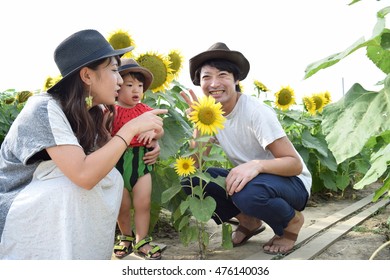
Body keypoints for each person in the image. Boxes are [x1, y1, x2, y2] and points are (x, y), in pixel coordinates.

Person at [0, 29, 166, 260]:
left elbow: (106, 157)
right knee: (73, 188)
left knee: (111, 178)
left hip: (52, 209)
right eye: (114, 70)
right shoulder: (44, 108)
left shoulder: (93, 111)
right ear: (87, 76)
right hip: (18, 206)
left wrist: (151, 142)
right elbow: (84, 174)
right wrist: (131, 128)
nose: (120, 80)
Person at [180, 42, 312, 255]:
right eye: (206, 77)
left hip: (292, 183)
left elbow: (294, 164)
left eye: (222, 74)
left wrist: (256, 165)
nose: (214, 83)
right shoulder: (212, 114)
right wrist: (200, 124)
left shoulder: (255, 112)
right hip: (252, 179)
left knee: (247, 195)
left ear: (236, 79)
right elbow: (195, 165)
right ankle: (249, 222)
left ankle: (291, 225)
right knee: (194, 181)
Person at [111, 58, 163, 260]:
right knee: (122, 206)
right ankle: (125, 236)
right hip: (117, 164)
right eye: (130, 85)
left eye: (140, 86)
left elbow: (159, 128)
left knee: (143, 204)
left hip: (141, 163)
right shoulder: (110, 110)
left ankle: (142, 240)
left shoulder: (145, 110)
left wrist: (155, 135)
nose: (136, 90)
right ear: (117, 86)